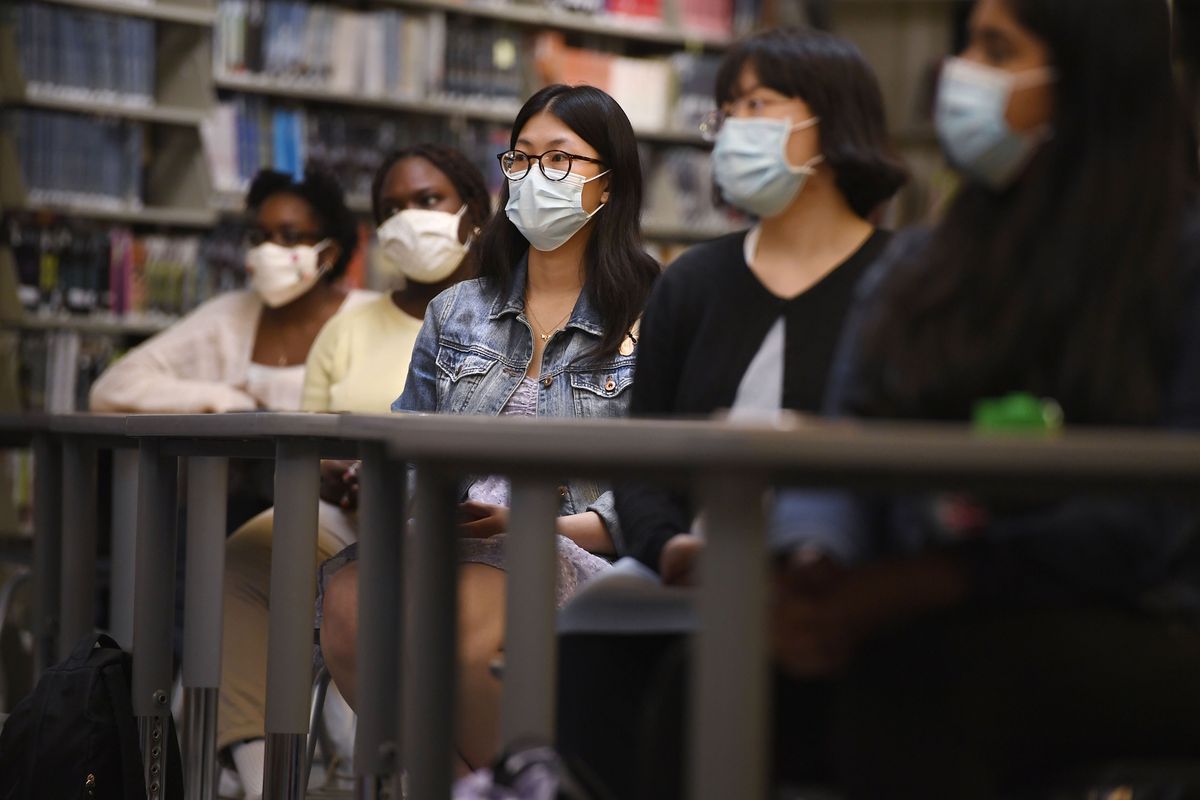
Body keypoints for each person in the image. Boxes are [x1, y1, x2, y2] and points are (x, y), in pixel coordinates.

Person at [651, 1, 1200, 797]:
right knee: (708, 677)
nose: (959, 74)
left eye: (997, 49)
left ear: (1088, 75)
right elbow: (844, 445)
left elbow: (1154, 522)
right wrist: (815, 564)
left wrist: (922, 584)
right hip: (912, 597)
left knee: (918, 691)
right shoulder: (924, 269)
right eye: (966, 44)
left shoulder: (1174, 267)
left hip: (1143, 614)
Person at [555, 28, 907, 798]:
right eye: (727, 110)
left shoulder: (905, 281)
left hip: (837, 576)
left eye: (759, 104)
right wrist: (668, 544)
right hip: (689, 567)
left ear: (834, 119)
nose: (736, 126)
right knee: (587, 634)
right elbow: (645, 456)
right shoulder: (693, 283)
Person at [318, 83, 659, 775]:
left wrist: (540, 527)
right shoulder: (457, 311)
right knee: (347, 600)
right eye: (522, 159)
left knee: (465, 610)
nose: (536, 177)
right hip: (452, 537)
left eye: (559, 161)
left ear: (609, 183)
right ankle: (484, 785)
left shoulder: (657, 309)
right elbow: (410, 441)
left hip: (576, 543)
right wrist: (422, 510)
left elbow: (661, 480)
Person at [217, 145, 492, 800]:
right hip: (353, 516)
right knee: (250, 553)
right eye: (391, 208)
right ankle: (262, 770)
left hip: (464, 518)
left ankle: (420, 764)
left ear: (475, 213)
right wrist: (332, 473)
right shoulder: (347, 329)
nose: (408, 220)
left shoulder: (503, 316)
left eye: (427, 201)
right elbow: (312, 443)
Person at [89, 166, 373, 414]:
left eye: (289, 236)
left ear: (328, 254)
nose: (268, 249)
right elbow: (113, 388)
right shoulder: (228, 316)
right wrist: (222, 400)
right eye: (260, 237)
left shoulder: (370, 317)